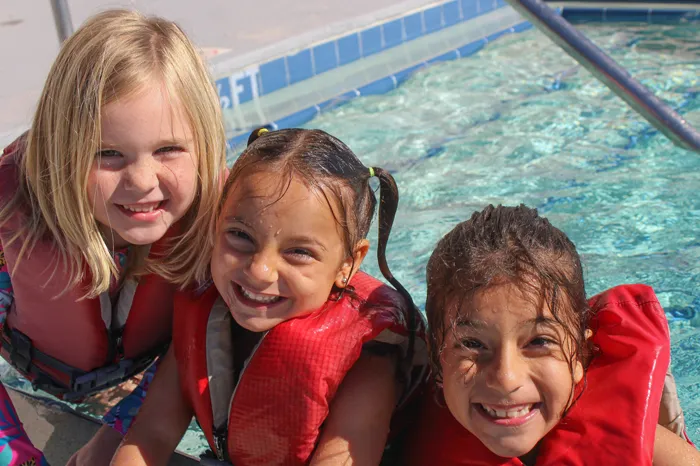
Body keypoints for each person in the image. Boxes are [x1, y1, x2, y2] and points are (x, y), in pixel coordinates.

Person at [110, 128, 428, 465]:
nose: (260, 270)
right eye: (240, 236)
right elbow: (152, 434)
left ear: (348, 264)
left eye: (299, 252)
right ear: (216, 225)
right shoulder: (202, 316)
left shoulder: (369, 365)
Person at [0, 9, 226, 465]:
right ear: (62, 152)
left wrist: (117, 436)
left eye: (168, 149)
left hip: (143, 371)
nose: (143, 181)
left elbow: (198, 344)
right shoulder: (13, 210)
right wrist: (18, 455)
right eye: (107, 153)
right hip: (36, 361)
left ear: (203, 144)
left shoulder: (215, 214)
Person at [401, 204, 699, 465]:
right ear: (436, 357)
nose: (506, 378)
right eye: (472, 344)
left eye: (539, 341)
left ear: (581, 353)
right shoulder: (394, 431)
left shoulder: (649, 446)